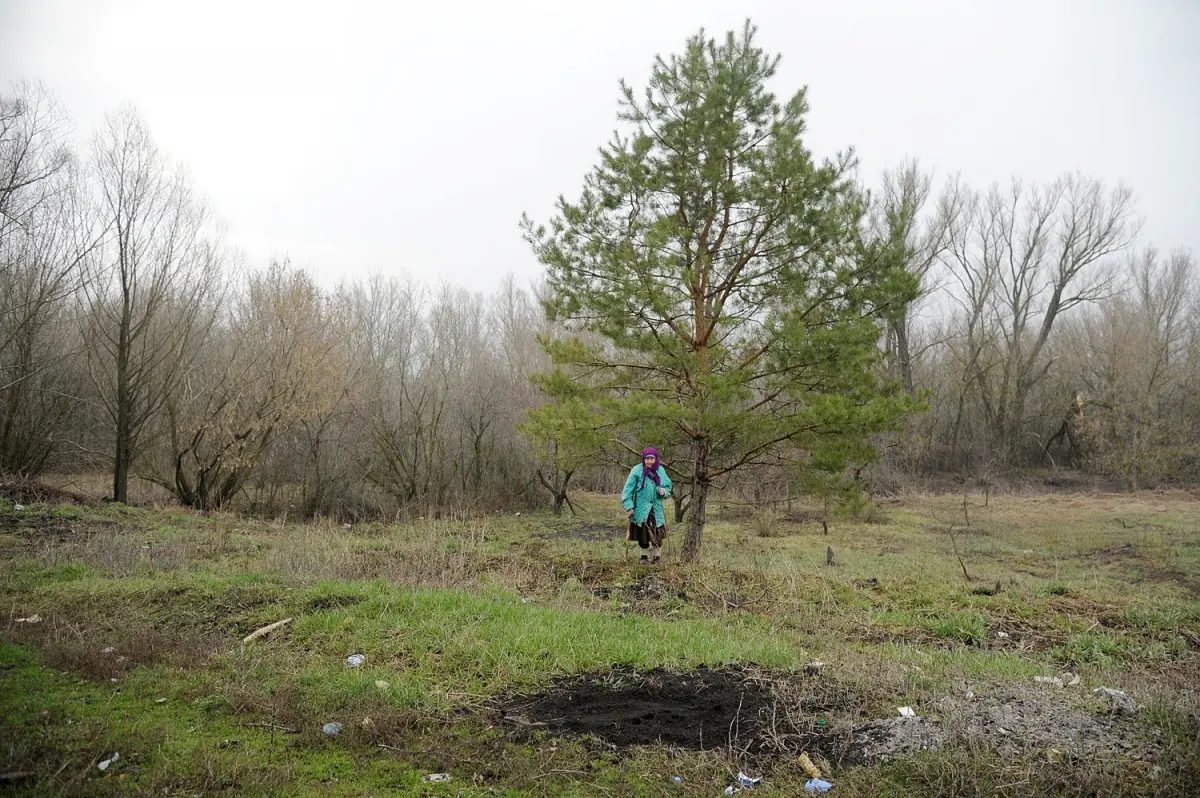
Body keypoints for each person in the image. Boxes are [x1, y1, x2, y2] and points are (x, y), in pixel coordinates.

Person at [622, 447, 672, 564]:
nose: (649, 461)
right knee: (642, 533)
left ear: (656, 459)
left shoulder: (661, 470)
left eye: (652, 459)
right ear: (643, 458)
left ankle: (657, 557)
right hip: (641, 508)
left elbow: (668, 487)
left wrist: (663, 492)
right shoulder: (637, 470)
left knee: (657, 533)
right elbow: (628, 489)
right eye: (647, 458)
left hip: (656, 509)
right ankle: (643, 557)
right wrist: (628, 506)